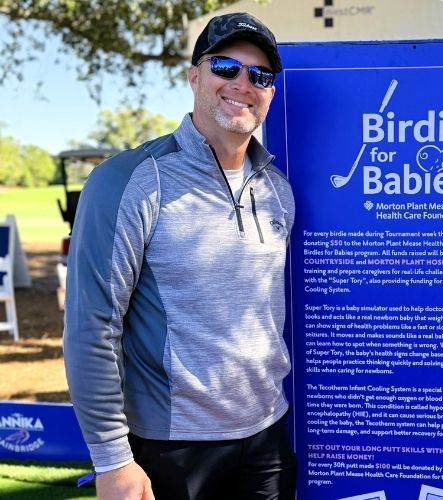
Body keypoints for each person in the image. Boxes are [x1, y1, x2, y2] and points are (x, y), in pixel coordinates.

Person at [63, 12, 297, 500]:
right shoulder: (129, 181)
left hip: (268, 437)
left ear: (271, 91)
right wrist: (112, 460)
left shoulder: (278, 191)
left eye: (260, 75)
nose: (243, 83)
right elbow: (92, 326)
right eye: (226, 67)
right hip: (172, 449)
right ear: (194, 76)